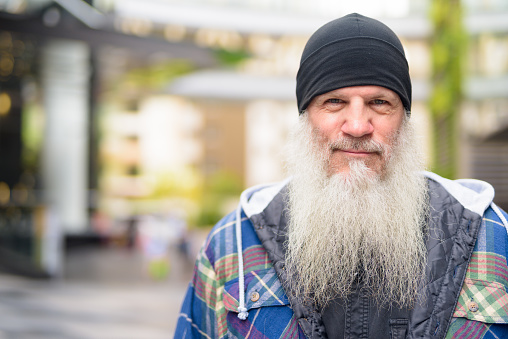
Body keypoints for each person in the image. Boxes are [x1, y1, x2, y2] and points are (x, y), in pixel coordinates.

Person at [174, 13, 508, 338]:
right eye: (334, 101)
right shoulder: (232, 243)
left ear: (404, 121)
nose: (359, 126)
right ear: (306, 118)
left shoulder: (492, 236)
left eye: (379, 102)